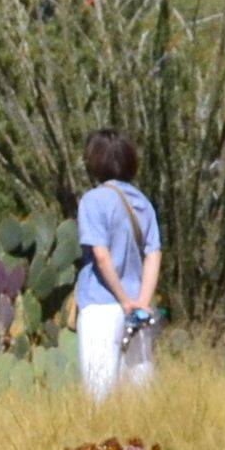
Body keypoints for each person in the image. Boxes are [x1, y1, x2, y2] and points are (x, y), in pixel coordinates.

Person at [72, 133, 161, 401]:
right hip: (140, 313)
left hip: (102, 307)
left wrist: (123, 300)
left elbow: (101, 255)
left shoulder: (93, 200)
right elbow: (154, 253)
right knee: (140, 399)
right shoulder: (143, 203)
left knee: (100, 399)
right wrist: (141, 303)